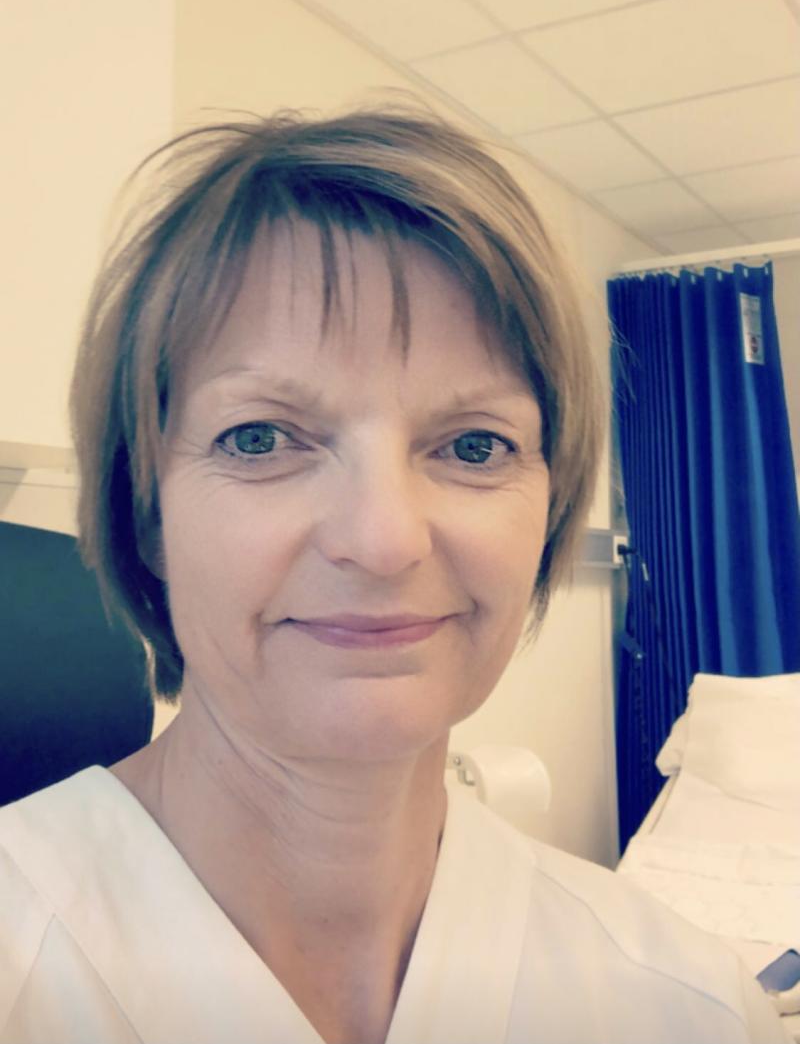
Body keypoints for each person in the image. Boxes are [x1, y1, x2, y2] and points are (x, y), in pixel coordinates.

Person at [0, 103, 789, 1044]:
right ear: (147, 512)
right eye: (260, 437)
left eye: (474, 444)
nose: (383, 540)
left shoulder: (689, 1006)